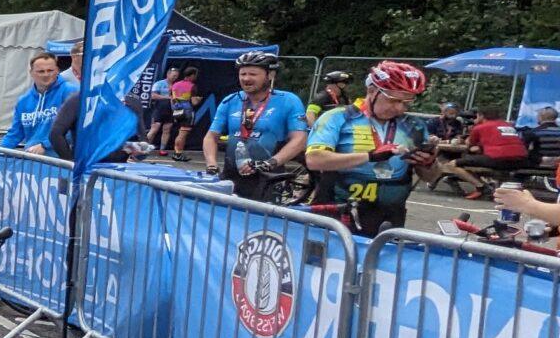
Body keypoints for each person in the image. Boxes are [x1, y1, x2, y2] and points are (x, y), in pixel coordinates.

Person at [306, 61, 436, 235]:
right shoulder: (337, 117)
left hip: (390, 218)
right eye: (393, 100)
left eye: (406, 103)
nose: (399, 108)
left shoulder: (414, 125)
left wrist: (429, 163)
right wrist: (370, 156)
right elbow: (314, 159)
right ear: (372, 91)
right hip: (337, 212)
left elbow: (431, 176)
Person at [203, 51, 311, 203]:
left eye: (253, 74)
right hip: (231, 177)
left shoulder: (288, 100)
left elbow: (299, 139)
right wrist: (212, 165)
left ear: (270, 75)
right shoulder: (231, 100)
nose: (246, 79)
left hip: (268, 178)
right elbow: (211, 137)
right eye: (243, 74)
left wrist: (271, 163)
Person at [436, 111, 535, 198]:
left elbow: (469, 144)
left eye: (476, 116)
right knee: (476, 160)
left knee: (453, 164)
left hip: (499, 159)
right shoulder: (508, 126)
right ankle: (485, 185)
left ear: (481, 116)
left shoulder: (480, 127)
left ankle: (481, 187)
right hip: (521, 160)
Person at [0, 52, 78, 155]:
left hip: (63, 162)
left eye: (50, 70)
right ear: (31, 73)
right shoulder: (23, 101)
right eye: (41, 71)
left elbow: (78, 129)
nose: (46, 75)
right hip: (33, 161)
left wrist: (45, 145)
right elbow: (15, 133)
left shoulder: (72, 92)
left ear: (57, 71)